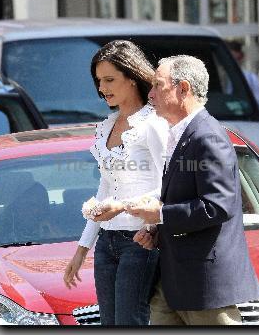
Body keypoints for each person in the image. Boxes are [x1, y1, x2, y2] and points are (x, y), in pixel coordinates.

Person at [128, 55, 259, 325]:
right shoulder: (181, 132)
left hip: (205, 285)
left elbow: (218, 205)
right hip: (175, 280)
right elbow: (185, 198)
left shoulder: (207, 136)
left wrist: (161, 215)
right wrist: (157, 229)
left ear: (183, 89)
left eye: (157, 85)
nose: (151, 94)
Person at [63, 40, 168, 325]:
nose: (102, 88)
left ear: (132, 78)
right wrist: (83, 248)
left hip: (139, 241)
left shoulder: (153, 123)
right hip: (107, 243)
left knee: (129, 322)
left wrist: (149, 226)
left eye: (109, 79)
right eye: (99, 81)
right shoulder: (107, 125)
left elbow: (168, 182)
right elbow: (105, 188)